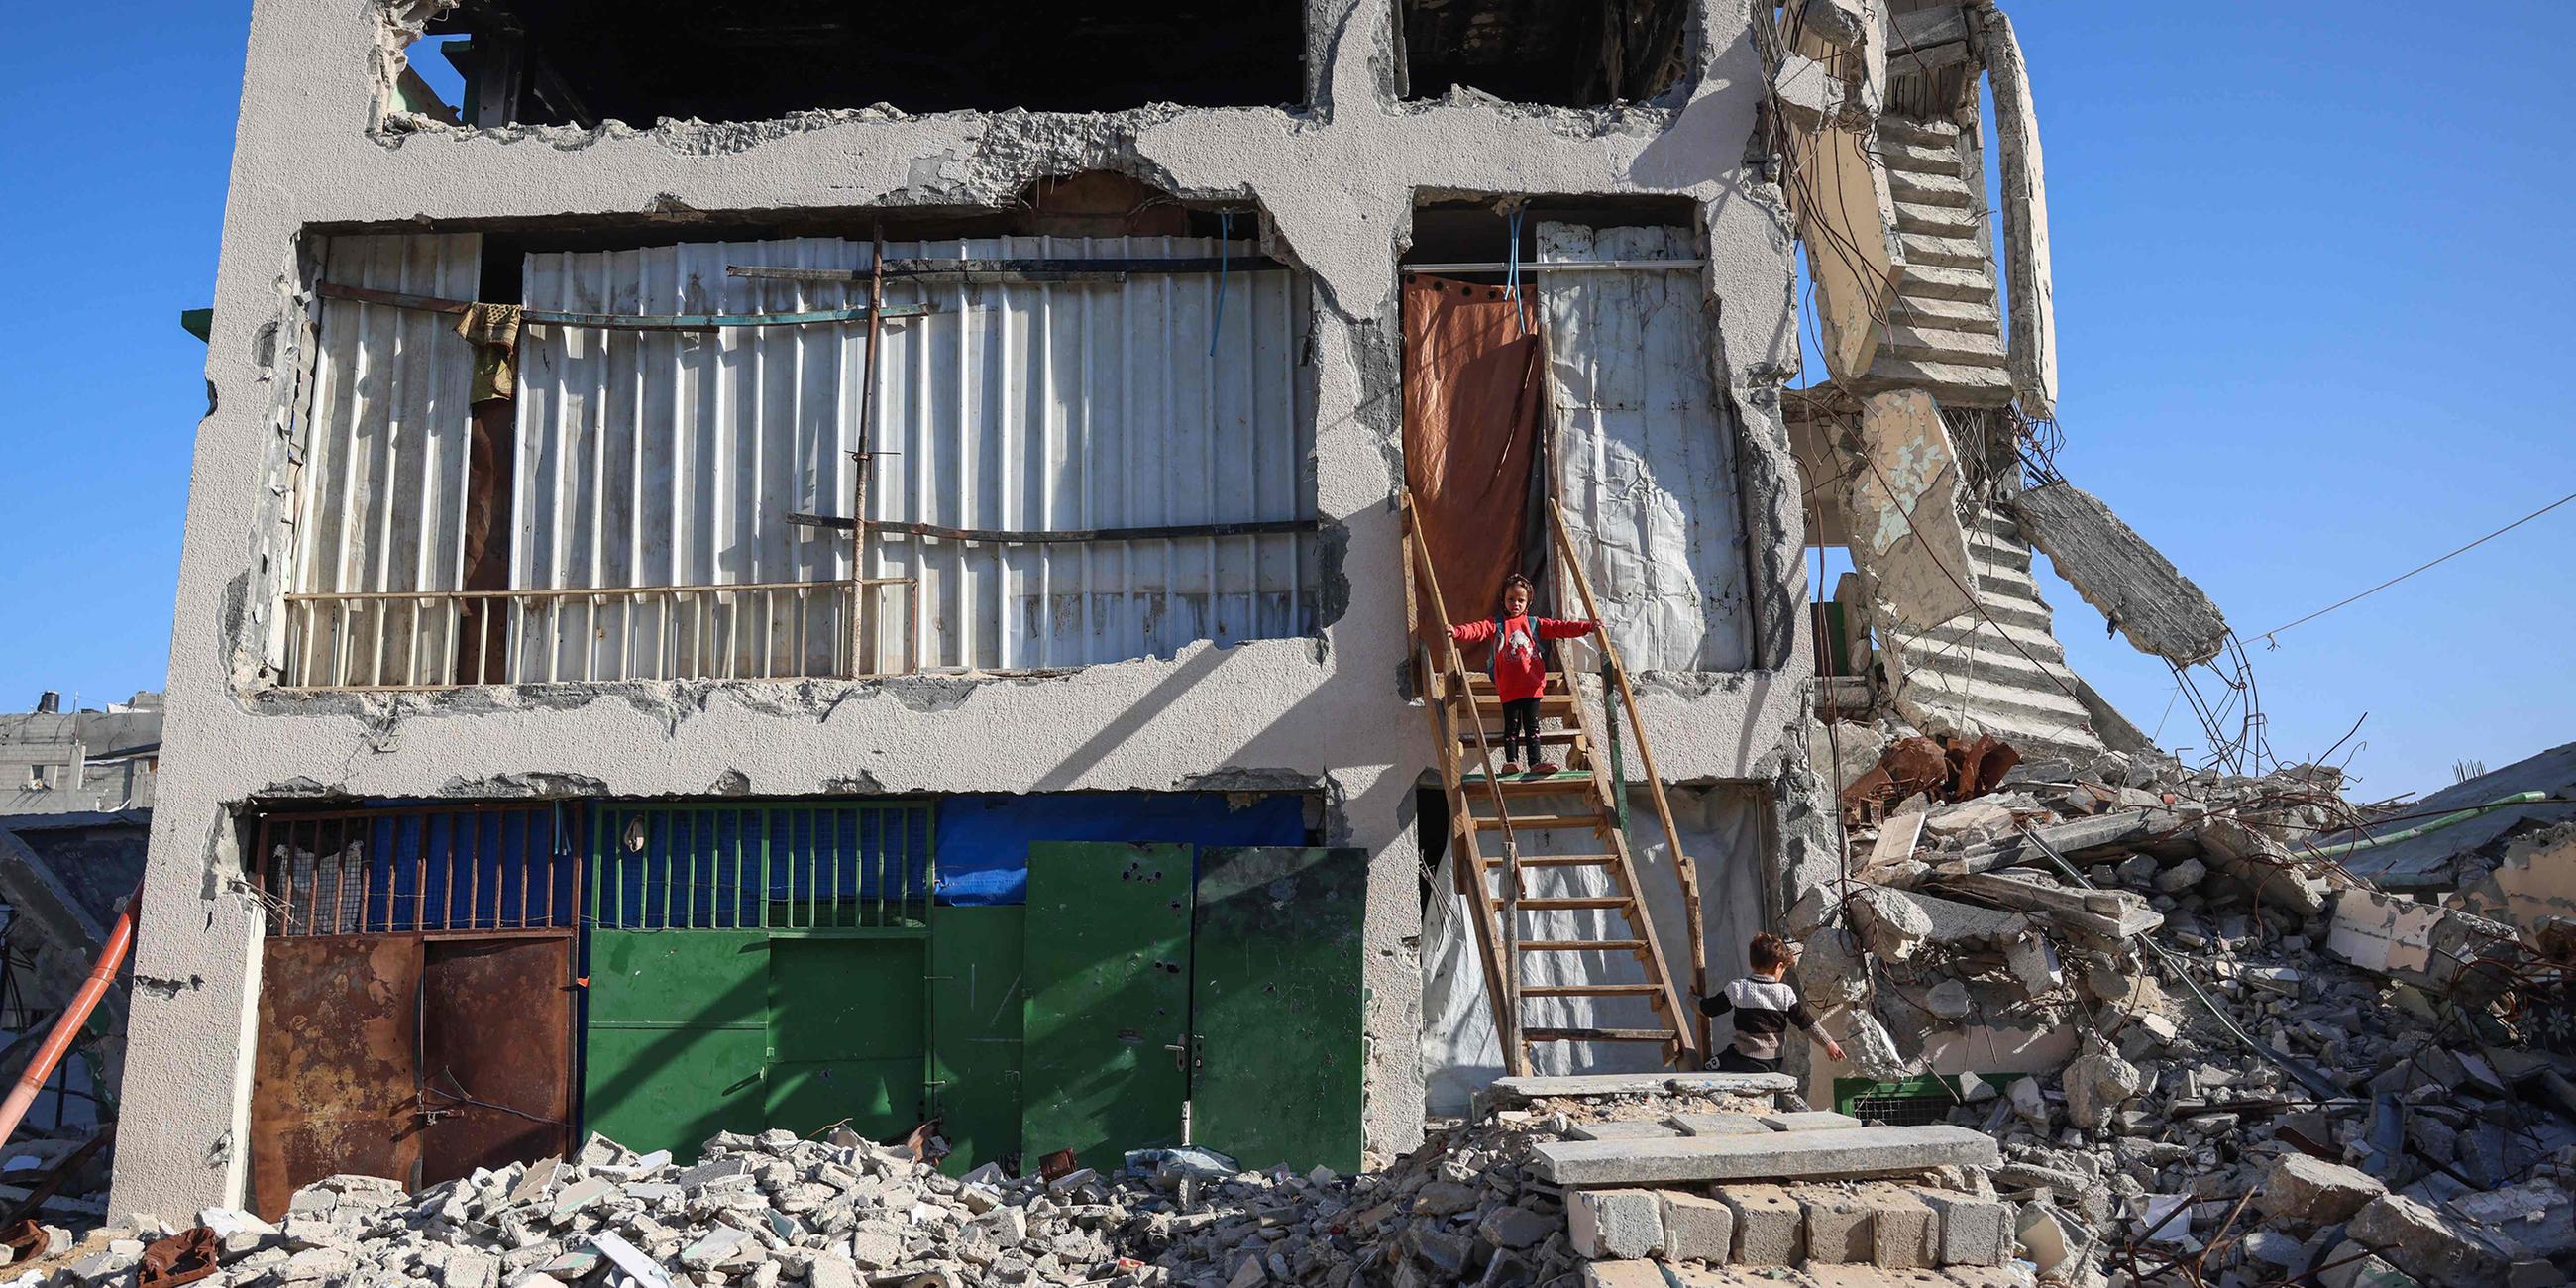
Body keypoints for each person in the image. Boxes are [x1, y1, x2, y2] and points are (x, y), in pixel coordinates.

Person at [1448, 574, 1599, 776]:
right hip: (1509, 687)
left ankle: (1535, 763)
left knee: (1532, 727)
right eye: (1511, 599)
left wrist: (1588, 627)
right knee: (1511, 727)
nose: (1515, 604)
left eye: (1521, 600)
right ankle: (1511, 761)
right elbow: (1478, 630)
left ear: (1528, 601)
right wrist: (1457, 632)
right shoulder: (1498, 624)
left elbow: (1560, 627)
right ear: (1503, 600)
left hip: (1532, 686)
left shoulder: (1534, 624)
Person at [1699, 932, 1847, 1073]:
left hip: (1743, 1058)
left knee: (1707, 1068)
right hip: (1773, 1061)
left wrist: (1693, 999)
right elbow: (1805, 1021)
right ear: (1778, 967)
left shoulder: (1738, 987)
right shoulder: (1785, 992)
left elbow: (1710, 1009)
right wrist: (1828, 1043)